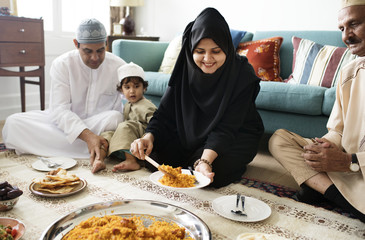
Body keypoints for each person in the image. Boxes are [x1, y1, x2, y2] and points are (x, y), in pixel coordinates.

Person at [130, 8, 264, 188]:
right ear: (191, 49)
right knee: (152, 156)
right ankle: (194, 160)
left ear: (226, 48)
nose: (207, 59)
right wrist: (148, 137)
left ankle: (199, 161)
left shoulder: (242, 74)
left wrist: (205, 161)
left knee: (216, 173)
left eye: (216, 51)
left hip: (234, 133)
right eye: (200, 51)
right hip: (190, 133)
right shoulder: (185, 69)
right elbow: (164, 114)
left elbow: (227, 128)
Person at [268, 0, 365, 222]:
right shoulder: (349, 72)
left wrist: (349, 161)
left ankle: (325, 190)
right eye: (342, 28)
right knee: (279, 140)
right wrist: (325, 146)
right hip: (346, 168)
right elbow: (338, 130)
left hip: (352, 165)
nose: (346, 36)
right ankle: (339, 196)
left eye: (355, 24)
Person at [2, 18, 126, 164]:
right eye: (88, 51)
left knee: (116, 118)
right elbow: (59, 110)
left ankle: (89, 146)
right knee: (13, 123)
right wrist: (88, 136)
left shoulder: (119, 66)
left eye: (100, 51)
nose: (95, 57)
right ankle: (97, 146)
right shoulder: (62, 64)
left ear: (106, 42)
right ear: (76, 44)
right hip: (63, 126)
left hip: (99, 124)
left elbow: (132, 101)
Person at [91, 62, 157, 173]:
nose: (132, 91)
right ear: (121, 90)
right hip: (129, 137)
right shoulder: (127, 105)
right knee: (107, 134)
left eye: (136, 86)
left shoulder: (146, 105)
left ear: (144, 88)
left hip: (142, 139)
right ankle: (99, 159)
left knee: (125, 125)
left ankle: (131, 160)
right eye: (127, 87)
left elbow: (156, 123)